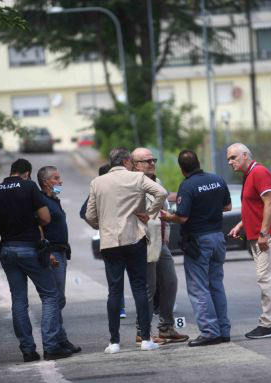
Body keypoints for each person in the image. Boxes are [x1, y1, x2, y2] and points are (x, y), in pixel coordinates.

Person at [0, 159, 72, 362]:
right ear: (27, 174)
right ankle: (50, 346)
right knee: (50, 295)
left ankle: (28, 350)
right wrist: (29, 226)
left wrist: (6, 229)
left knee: (19, 300)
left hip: (6, 250)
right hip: (29, 248)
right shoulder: (29, 187)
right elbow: (45, 218)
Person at [85, 148, 167, 354]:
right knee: (140, 288)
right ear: (126, 161)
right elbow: (161, 193)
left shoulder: (97, 182)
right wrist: (149, 213)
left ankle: (114, 342)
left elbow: (89, 214)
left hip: (110, 242)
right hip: (135, 238)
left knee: (114, 291)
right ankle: (146, 339)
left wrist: (100, 225)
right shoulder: (137, 178)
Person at [160, 150, 232, 347]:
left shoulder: (188, 185)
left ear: (182, 169)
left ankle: (209, 332)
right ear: (198, 163)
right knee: (216, 284)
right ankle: (224, 331)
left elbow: (182, 217)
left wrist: (167, 217)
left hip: (199, 241)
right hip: (218, 238)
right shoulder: (217, 179)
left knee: (198, 288)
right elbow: (227, 207)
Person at [226, 143, 271, 339]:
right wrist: (241, 224)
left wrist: (263, 233)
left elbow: (270, 203)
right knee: (266, 277)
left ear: (245, 155)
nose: (230, 162)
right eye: (228, 158)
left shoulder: (260, 172)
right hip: (256, 235)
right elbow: (256, 205)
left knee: (265, 278)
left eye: (233, 157)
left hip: (268, 235)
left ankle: (269, 324)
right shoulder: (249, 175)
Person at [131, 147, 189, 345]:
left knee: (170, 282)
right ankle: (143, 331)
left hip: (160, 240)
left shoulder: (157, 182)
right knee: (149, 287)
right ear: (135, 164)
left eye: (153, 159)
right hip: (143, 240)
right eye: (147, 161)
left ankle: (166, 328)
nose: (152, 163)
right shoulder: (131, 183)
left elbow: (163, 210)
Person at [37, 165, 81, 354]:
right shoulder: (41, 201)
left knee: (58, 298)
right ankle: (52, 342)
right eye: (56, 178)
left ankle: (61, 338)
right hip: (52, 253)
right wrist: (47, 251)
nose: (60, 181)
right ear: (46, 182)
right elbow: (37, 226)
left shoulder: (54, 199)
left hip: (60, 252)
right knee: (55, 299)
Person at [79, 164, 128, 319]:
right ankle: (144, 307)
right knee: (137, 278)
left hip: (108, 238)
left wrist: (98, 226)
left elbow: (84, 213)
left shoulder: (98, 189)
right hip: (129, 237)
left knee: (115, 278)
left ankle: (119, 309)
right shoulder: (121, 187)